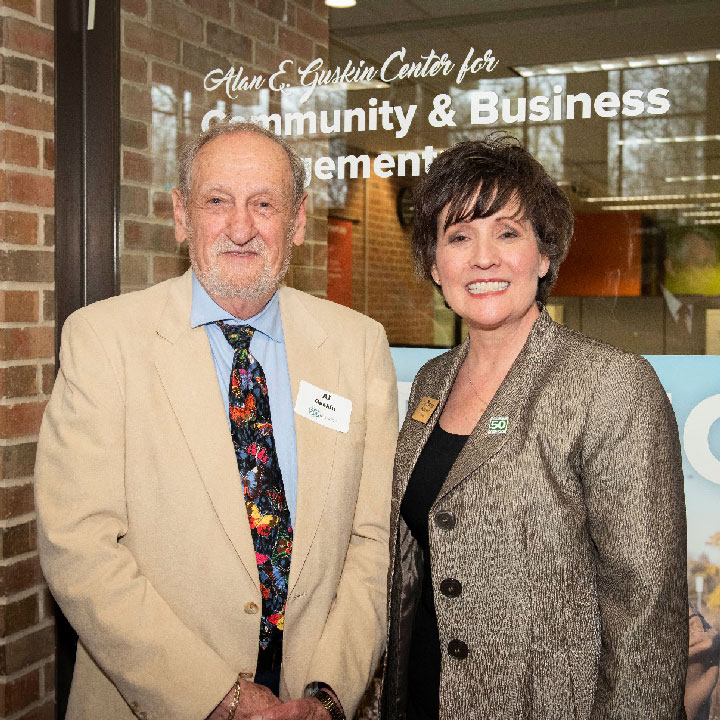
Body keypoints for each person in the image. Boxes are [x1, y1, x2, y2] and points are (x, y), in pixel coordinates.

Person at [35, 122, 398, 720]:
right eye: (216, 202)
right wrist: (216, 697)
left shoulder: (357, 346)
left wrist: (328, 696)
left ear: (299, 221)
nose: (240, 228)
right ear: (182, 216)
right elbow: (80, 546)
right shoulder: (103, 340)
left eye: (264, 204)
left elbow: (375, 540)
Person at [382, 135, 688, 719]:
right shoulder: (429, 382)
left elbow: (647, 609)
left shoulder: (610, 385)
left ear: (544, 255)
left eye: (507, 232)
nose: (483, 258)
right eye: (458, 237)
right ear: (433, 264)